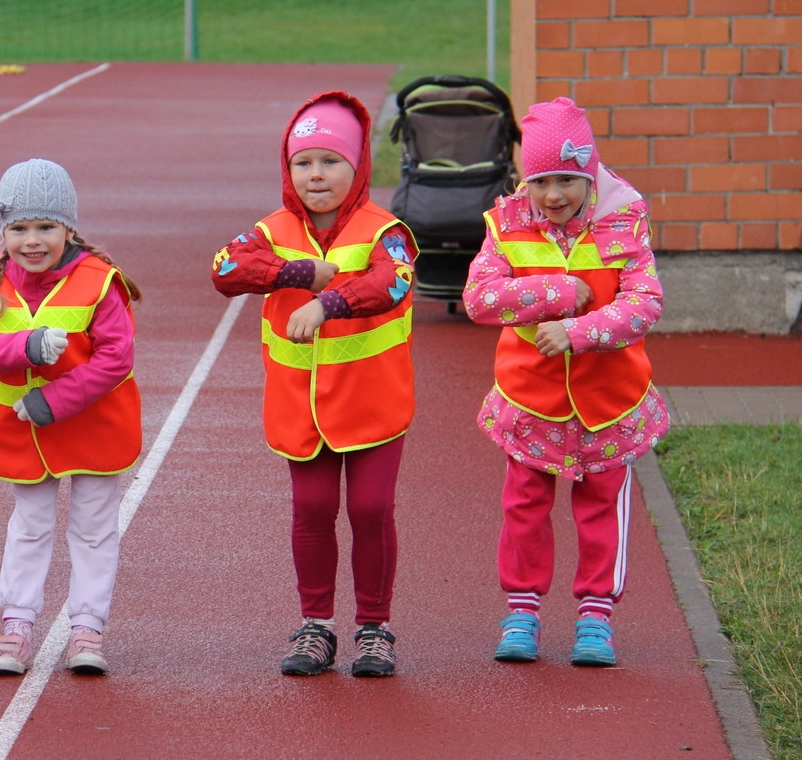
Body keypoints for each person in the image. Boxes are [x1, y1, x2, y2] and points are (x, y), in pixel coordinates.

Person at [211, 92, 416, 678]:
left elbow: (393, 285)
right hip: (300, 407)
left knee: (372, 508)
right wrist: (294, 272)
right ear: (286, 169)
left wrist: (330, 300)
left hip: (373, 398)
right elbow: (225, 269)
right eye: (303, 162)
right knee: (314, 507)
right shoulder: (272, 231)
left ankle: (374, 627)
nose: (316, 175)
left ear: (357, 169)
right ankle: (316, 625)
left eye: (330, 161)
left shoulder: (387, 232)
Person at [462, 96, 668, 668]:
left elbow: (645, 303)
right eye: (541, 180)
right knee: (524, 504)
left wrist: (580, 330)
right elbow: (478, 298)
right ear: (526, 180)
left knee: (602, 505)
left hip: (609, 402)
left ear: (590, 176)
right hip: (532, 400)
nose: (554, 195)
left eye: (568, 180)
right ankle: (522, 611)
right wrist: (555, 293)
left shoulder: (624, 221)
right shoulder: (506, 224)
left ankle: (596, 617)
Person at [0, 159, 142, 677]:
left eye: (45, 227)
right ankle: (16, 624)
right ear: (3, 230)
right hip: (23, 433)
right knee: (30, 526)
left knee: (93, 529)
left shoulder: (100, 282)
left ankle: (86, 627)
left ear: (68, 228)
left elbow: (116, 357)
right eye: (18, 228)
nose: (32, 241)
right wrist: (27, 346)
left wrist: (53, 400)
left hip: (92, 424)